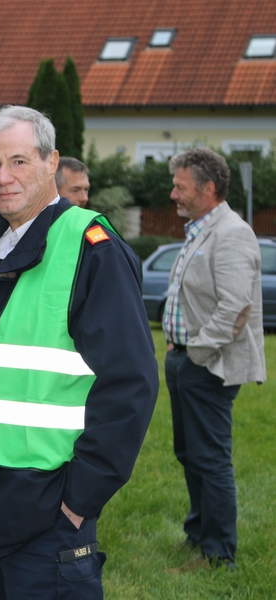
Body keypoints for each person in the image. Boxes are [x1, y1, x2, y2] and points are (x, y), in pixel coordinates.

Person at [0, 106, 158, 599]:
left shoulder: (91, 248)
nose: (3, 177)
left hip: (48, 515)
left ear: (52, 162)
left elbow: (131, 384)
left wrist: (80, 499)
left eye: (19, 162)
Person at [162, 148, 265, 572]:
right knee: (190, 454)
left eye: (180, 187)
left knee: (210, 460)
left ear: (207, 189)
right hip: (184, 359)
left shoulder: (232, 233)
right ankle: (198, 534)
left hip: (208, 364)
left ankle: (218, 554)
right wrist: (177, 348)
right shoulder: (199, 229)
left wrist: (197, 352)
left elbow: (236, 309)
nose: (173, 194)